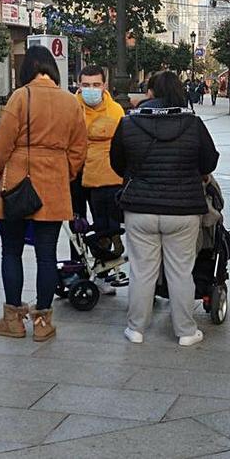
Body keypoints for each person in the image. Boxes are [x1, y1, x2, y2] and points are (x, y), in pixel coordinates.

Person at [110, 71, 219, 347]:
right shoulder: (193, 123)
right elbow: (209, 162)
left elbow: (116, 163)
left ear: (149, 93)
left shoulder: (128, 122)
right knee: (181, 271)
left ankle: (136, 329)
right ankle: (185, 332)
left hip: (140, 208)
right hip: (183, 211)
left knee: (142, 271)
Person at [0, 45, 86, 342]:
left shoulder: (21, 96)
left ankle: (13, 320)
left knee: (11, 250)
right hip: (53, 185)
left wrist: (0, 172)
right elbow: (80, 149)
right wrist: (62, 172)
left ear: (26, 69)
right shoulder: (71, 102)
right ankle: (43, 323)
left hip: (20, 181)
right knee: (46, 255)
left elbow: (2, 144)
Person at [71, 66, 127, 291]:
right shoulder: (70, 109)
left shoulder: (116, 111)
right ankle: (78, 271)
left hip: (104, 176)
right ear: (78, 85)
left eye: (95, 85)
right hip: (75, 173)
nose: (90, 89)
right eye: (86, 85)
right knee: (76, 225)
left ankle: (103, 271)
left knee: (103, 226)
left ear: (104, 86)